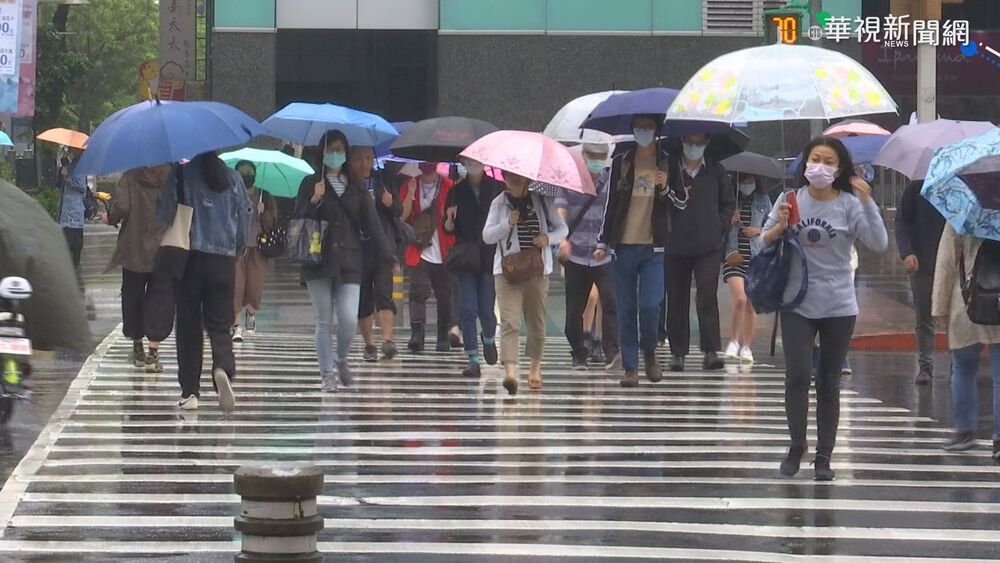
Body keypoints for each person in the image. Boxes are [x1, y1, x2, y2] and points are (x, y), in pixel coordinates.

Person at [761, 136, 887, 481]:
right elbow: (762, 242)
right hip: (796, 303)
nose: (820, 166)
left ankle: (824, 456)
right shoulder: (789, 199)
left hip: (839, 305)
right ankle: (796, 445)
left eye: (829, 161)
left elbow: (879, 243)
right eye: (815, 159)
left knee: (828, 383)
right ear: (805, 164)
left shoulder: (848, 204)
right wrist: (778, 227)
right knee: (798, 375)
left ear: (840, 168)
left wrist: (867, 201)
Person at [296, 130, 392, 392]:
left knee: (349, 317)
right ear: (322, 153)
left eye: (340, 149)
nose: (335, 154)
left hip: (350, 259)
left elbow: (372, 223)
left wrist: (386, 252)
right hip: (318, 260)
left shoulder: (356, 184)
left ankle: (341, 358)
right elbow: (297, 220)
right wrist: (314, 199)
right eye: (331, 149)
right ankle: (327, 374)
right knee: (324, 319)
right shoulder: (309, 183)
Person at [595, 115, 687, 387]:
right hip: (623, 247)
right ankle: (630, 367)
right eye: (638, 127)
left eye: (647, 127)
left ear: (657, 130)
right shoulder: (621, 161)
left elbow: (681, 203)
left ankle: (650, 353)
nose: (642, 132)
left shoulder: (668, 161)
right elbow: (610, 204)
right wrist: (603, 242)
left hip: (654, 248)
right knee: (626, 308)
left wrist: (666, 186)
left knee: (650, 305)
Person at [157, 152, 251, 412]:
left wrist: (174, 182)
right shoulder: (233, 178)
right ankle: (222, 366)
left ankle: (190, 392)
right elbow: (243, 219)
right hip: (222, 261)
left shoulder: (182, 174)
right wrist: (237, 249)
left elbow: (163, 214)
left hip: (189, 257)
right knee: (220, 324)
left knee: (188, 326)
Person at [483, 171, 567, 394]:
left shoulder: (541, 200)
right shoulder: (498, 204)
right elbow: (487, 236)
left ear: (528, 177)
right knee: (510, 321)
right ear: (503, 177)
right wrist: (506, 224)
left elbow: (563, 228)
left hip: (536, 271)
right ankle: (510, 373)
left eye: (519, 175)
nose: (515, 179)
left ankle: (535, 368)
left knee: (537, 324)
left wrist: (547, 239)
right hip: (506, 272)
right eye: (509, 175)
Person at [664, 134, 735, 372]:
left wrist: (719, 225)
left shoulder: (716, 170)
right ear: (682, 141)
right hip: (675, 244)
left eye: (699, 142)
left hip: (708, 245)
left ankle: (711, 350)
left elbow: (727, 203)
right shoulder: (670, 168)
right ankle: (678, 353)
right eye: (689, 141)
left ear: (707, 143)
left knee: (707, 295)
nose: (694, 147)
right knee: (676, 298)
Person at [932, 225, 1000, 461]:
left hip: (967, 299)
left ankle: (964, 432)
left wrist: (939, 304)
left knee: (962, 368)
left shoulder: (962, 208)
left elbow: (947, 259)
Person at [100, 165, 174, 373]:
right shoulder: (172, 176)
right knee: (160, 298)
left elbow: (121, 207)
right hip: (164, 247)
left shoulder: (130, 175)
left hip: (134, 248)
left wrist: (109, 218)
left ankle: (137, 346)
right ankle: (153, 352)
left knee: (133, 295)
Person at [556, 143, 620, 371]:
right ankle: (578, 352)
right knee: (574, 310)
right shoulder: (570, 182)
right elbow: (561, 209)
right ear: (583, 157)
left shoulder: (612, 182)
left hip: (603, 253)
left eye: (601, 157)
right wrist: (562, 238)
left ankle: (612, 351)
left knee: (611, 303)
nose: (597, 161)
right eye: (592, 156)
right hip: (577, 254)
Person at [443, 156, 504, 377]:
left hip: (489, 257)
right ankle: (473, 359)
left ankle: (488, 338)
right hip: (466, 257)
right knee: (467, 309)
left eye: (476, 160)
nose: (472, 164)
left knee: (486, 310)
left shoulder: (498, 188)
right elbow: (448, 227)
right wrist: (449, 221)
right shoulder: (456, 191)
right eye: (468, 160)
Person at [400, 162, 455, 353]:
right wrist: (410, 194)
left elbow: (455, 219)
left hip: (444, 248)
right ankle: (417, 333)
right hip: (419, 248)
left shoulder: (449, 186)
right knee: (418, 291)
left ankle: (442, 334)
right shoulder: (410, 184)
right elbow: (403, 216)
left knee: (445, 295)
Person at [354, 148, 401, 362]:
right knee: (363, 299)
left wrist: (391, 203)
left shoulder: (383, 180)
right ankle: (369, 344)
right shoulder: (349, 184)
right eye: (360, 159)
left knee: (384, 293)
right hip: (358, 249)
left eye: (368, 158)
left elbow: (398, 211)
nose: (365, 163)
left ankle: (388, 340)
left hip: (382, 247)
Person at [896, 178, 945, 385]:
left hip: (953, 264)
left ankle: (958, 366)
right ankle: (925, 365)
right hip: (922, 263)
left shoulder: (959, 187)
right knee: (924, 317)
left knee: (956, 318)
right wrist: (907, 252)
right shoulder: (916, 188)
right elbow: (902, 221)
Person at [723, 173, 772, 364]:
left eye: (750, 180)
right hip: (733, 257)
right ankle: (733, 340)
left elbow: (772, 225)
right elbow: (718, 224)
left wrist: (759, 231)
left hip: (756, 257)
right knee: (740, 299)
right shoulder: (730, 200)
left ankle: (746, 346)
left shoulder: (764, 199)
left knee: (751, 305)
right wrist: (729, 219)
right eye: (743, 181)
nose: (747, 184)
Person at [231, 161, 278, 343]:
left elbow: (272, 221)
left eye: (249, 171)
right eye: (242, 171)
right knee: (236, 285)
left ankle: (251, 314)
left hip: (258, 246)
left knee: (254, 284)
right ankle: (236, 325)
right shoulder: (232, 194)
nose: (246, 174)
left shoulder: (264, 195)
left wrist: (263, 212)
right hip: (237, 247)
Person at [56, 152, 87, 284]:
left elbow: (82, 187)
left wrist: (67, 176)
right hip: (65, 211)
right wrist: (61, 173)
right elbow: (59, 185)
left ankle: (75, 266)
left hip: (74, 212)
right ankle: (69, 267)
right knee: (66, 242)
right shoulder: (70, 165)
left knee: (75, 243)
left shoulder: (80, 167)